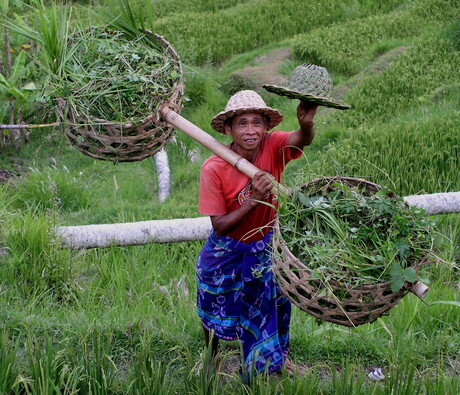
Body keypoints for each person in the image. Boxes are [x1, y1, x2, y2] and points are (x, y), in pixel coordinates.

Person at [195, 89, 318, 378]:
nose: (250, 131)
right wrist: (254, 201)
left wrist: (306, 124)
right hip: (227, 251)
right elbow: (220, 225)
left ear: (266, 127)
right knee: (213, 306)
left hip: (265, 247)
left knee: (276, 304)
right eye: (242, 123)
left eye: (256, 123)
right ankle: (211, 360)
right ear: (229, 129)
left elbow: (301, 140)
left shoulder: (273, 145)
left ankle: (276, 360)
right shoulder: (213, 167)